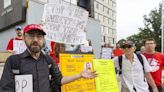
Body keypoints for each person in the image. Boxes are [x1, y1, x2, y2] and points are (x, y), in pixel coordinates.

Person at [0, 24, 97, 92]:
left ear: (43, 39)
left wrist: (79, 75)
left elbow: (60, 80)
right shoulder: (13, 61)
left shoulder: (48, 60)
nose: (35, 40)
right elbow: (5, 89)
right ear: (24, 38)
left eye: (39, 36)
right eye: (31, 36)